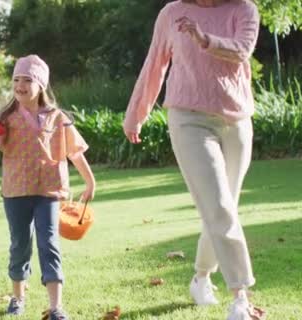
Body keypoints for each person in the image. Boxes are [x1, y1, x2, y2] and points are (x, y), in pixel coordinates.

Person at [123, 0, 265, 319]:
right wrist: (136, 113)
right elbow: (155, 64)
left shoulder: (244, 9)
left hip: (236, 121)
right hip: (188, 119)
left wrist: (205, 40)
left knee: (223, 207)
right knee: (219, 207)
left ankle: (201, 278)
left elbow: (242, 49)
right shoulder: (172, 13)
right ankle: (241, 297)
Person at [0, 55, 96, 320]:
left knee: (49, 243)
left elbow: (75, 153)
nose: (20, 85)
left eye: (27, 80)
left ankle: (56, 307)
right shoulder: (6, 118)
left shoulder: (57, 118)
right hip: (16, 191)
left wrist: (90, 181)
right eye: (16, 79)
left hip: (49, 191)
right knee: (20, 244)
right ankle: (18, 299)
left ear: (41, 85)